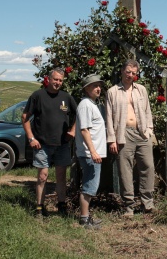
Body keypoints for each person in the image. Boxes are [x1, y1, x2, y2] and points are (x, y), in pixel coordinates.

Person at [22, 68, 77, 217]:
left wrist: (73, 131)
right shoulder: (38, 96)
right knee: (42, 176)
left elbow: (79, 115)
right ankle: (39, 207)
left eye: (60, 80)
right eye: (55, 79)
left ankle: (61, 205)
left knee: (61, 176)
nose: (58, 83)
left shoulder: (66, 97)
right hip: (42, 144)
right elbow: (25, 117)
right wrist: (31, 138)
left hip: (62, 144)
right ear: (49, 79)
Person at [106, 59, 155, 216]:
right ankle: (129, 206)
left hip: (142, 132)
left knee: (148, 166)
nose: (130, 75)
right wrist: (112, 139)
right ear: (122, 71)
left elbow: (147, 111)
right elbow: (108, 117)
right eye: (128, 72)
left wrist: (149, 129)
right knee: (125, 170)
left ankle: (147, 203)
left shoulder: (141, 90)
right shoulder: (112, 91)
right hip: (123, 133)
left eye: (134, 73)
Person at [75, 74, 107, 229]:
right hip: (90, 154)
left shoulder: (91, 104)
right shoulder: (86, 105)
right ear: (87, 88)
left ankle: (86, 217)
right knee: (89, 186)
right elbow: (85, 130)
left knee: (91, 185)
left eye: (99, 86)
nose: (98, 88)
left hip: (93, 153)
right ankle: (84, 219)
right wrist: (93, 152)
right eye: (94, 86)